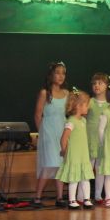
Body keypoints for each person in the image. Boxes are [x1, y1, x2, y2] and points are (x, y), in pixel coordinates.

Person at [34, 61, 69, 207]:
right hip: (48, 132)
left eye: (63, 73)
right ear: (51, 75)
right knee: (49, 164)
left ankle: (60, 197)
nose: (61, 76)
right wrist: (42, 133)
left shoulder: (66, 94)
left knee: (60, 164)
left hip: (61, 131)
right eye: (57, 73)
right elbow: (38, 115)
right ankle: (37, 197)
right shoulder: (45, 93)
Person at [57, 89, 94, 209]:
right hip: (74, 155)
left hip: (83, 155)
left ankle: (87, 199)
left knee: (85, 177)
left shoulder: (83, 120)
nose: (88, 107)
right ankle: (72, 200)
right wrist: (64, 150)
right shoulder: (71, 121)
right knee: (74, 178)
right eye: (86, 105)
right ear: (79, 106)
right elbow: (63, 138)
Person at [86, 73, 110, 203]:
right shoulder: (89, 102)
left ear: (107, 85)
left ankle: (98, 195)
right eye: (94, 83)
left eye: (100, 83)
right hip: (90, 140)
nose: (96, 85)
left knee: (100, 169)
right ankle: (82, 196)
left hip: (103, 141)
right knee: (87, 168)